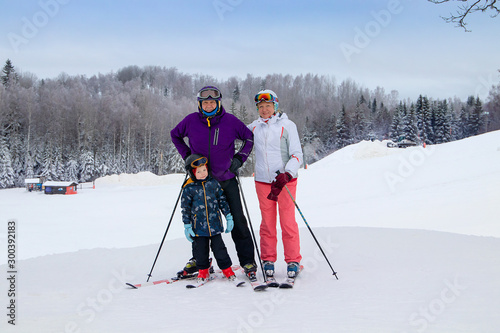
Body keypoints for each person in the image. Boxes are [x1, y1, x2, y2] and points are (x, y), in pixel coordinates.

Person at [171, 85, 258, 280]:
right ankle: (200, 261)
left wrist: (239, 159)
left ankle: (247, 262)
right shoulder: (191, 121)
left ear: (218, 103)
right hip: (200, 182)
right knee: (199, 224)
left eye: (212, 102)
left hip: (226, 179)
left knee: (237, 221)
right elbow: (175, 135)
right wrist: (189, 159)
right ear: (200, 104)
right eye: (205, 102)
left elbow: (249, 138)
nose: (209, 105)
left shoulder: (229, 121)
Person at [247, 89, 303, 281]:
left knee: (287, 222)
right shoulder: (254, 127)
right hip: (263, 181)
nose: (264, 110)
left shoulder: (287, 125)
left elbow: (297, 154)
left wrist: (288, 173)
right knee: (267, 223)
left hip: (285, 182)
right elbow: (236, 137)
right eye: (261, 107)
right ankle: (268, 260)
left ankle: (293, 261)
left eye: (268, 106)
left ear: (275, 106)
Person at [181, 154, 243, 285]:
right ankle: (203, 270)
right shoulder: (189, 188)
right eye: (199, 171)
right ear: (192, 173)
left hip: (215, 226)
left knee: (220, 249)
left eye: (204, 169)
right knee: (200, 251)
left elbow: (222, 201)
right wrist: (187, 225)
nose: (203, 173)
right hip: (198, 228)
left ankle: (227, 269)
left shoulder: (213, 184)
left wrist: (228, 216)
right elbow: (185, 208)